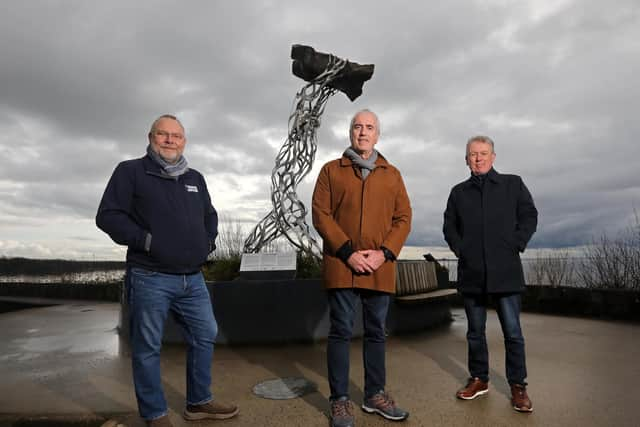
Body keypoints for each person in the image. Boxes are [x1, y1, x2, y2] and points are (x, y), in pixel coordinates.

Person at [96, 114, 238, 427]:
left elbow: (210, 216)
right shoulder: (131, 171)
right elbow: (108, 215)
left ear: (184, 141)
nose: (170, 140)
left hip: (193, 278)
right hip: (150, 276)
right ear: (151, 137)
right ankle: (154, 414)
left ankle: (199, 402)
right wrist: (145, 240)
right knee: (147, 347)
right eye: (163, 134)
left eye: (176, 135)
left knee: (205, 334)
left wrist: (208, 244)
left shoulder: (195, 178)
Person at [312, 109, 412, 427]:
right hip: (342, 266)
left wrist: (384, 253)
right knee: (341, 332)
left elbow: (403, 218)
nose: (363, 132)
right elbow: (320, 214)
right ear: (350, 133)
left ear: (377, 135)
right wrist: (347, 252)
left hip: (379, 268)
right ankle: (340, 400)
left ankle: (374, 395)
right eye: (358, 126)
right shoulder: (331, 170)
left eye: (369, 127)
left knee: (376, 333)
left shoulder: (392, 174)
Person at [443, 135, 538, 413]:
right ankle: (479, 379)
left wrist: (516, 243)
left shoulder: (513, 184)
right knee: (475, 333)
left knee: (513, 333)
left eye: (483, 153)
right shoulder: (458, 192)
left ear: (493, 157)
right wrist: (462, 250)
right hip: (472, 272)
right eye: (473, 154)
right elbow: (449, 227)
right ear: (466, 159)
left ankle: (518, 386)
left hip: (505, 271)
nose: (479, 158)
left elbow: (529, 215)